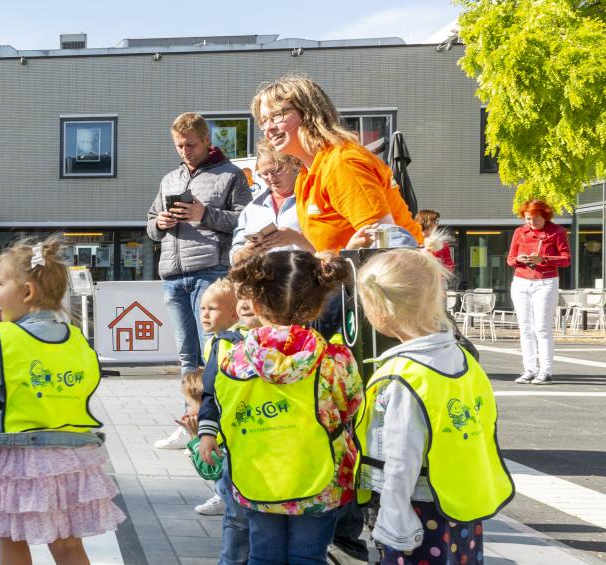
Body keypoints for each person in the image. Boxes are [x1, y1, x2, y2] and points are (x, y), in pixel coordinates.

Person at [0, 236, 126, 565]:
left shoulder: (5, 337)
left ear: (26, 293)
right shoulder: (77, 339)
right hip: (70, 455)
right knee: (67, 544)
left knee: (14, 538)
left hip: (18, 456)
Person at [198, 250, 362, 565]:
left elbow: (220, 405)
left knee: (262, 555)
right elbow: (349, 406)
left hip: (257, 477)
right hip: (320, 479)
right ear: (318, 303)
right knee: (308, 556)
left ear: (255, 304)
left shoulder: (230, 357)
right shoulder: (333, 359)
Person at [354, 247, 514, 564]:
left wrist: (393, 516)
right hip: (461, 500)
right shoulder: (464, 360)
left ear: (376, 308)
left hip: (417, 505)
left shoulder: (402, 375)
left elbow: (401, 459)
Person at [146, 112, 252, 450]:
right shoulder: (169, 180)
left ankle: (217, 424)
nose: (185, 151)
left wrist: (204, 215)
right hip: (173, 275)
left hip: (210, 272)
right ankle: (190, 421)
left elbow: (245, 221)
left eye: (191, 144)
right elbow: (148, 224)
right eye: (179, 145)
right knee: (186, 356)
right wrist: (159, 223)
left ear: (208, 141)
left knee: (213, 351)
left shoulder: (231, 175)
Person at [246, 74, 424, 255]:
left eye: (277, 115)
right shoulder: (306, 176)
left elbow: (386, 244)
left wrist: (350, 253)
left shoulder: (342, 163)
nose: (268, 128)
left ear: (309, 113)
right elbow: (327, 251)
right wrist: (294, 238)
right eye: (263, 121)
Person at [507, 199, 572, 385]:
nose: (531, 223)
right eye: (528, 219)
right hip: (521, 281)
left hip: (546, 281)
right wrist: (520, 259)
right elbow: (510, 260)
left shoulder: (557, 232)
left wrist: (543, 259)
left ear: (545, 216)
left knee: (542, 328)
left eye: (535, 219)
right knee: (525, 327)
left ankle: (546, 371)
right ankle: (529, 369)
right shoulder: (520, 232)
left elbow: (566, 259)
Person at [191, 279, 238, 519]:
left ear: (234, 313)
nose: (206, 314)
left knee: (227, 465)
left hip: (231, 419)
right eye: (203, 308)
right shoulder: (213, 341)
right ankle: (223, 496)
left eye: (213, 309)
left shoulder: (236, 342)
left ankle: (225, 498)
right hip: (218, 417)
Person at [231, 141, 302, 263]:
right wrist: (246, 252)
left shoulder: (310, 200)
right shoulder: (252, 208)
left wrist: (296, 238)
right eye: (264, 174)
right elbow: (234, 256)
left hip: (303, 278)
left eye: (277, 170)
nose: (271, 178)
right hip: (263, 280)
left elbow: (328, 247)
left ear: (293, 165)